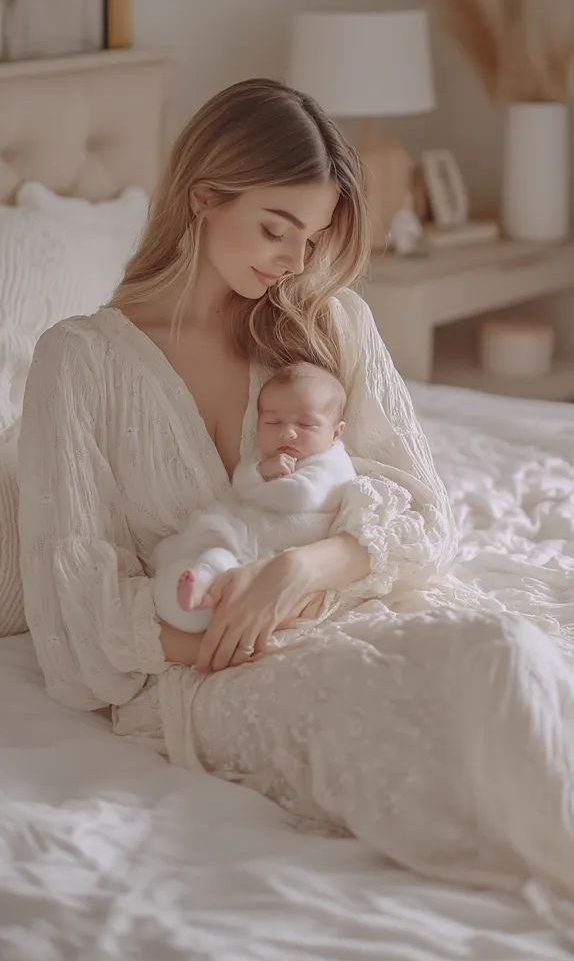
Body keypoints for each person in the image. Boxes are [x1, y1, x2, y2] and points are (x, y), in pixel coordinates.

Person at [18, 79, 574, 903]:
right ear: (204, 197)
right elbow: (74, 616)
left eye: (312, 237)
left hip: (359, 600)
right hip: (218, 676)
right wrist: (227, 629)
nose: (294, 260)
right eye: (277, 229)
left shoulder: (329, 323)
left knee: (515, 658)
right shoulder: (80, 362)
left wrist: (302, 570)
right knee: (475, 691)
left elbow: (423, 514)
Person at [152, 361, 356, 634]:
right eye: (272, 422)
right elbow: (241, 483)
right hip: (251, 539)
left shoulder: (332, 463)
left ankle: (206, 595)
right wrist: (261, 471)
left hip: (280, 550)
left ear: (336, 432)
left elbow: (300, 495)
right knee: (211, 555)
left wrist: (262, 483)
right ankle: (195, 585)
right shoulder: (267, 459)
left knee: (234, 571)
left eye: (305, 424)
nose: (287, 432)